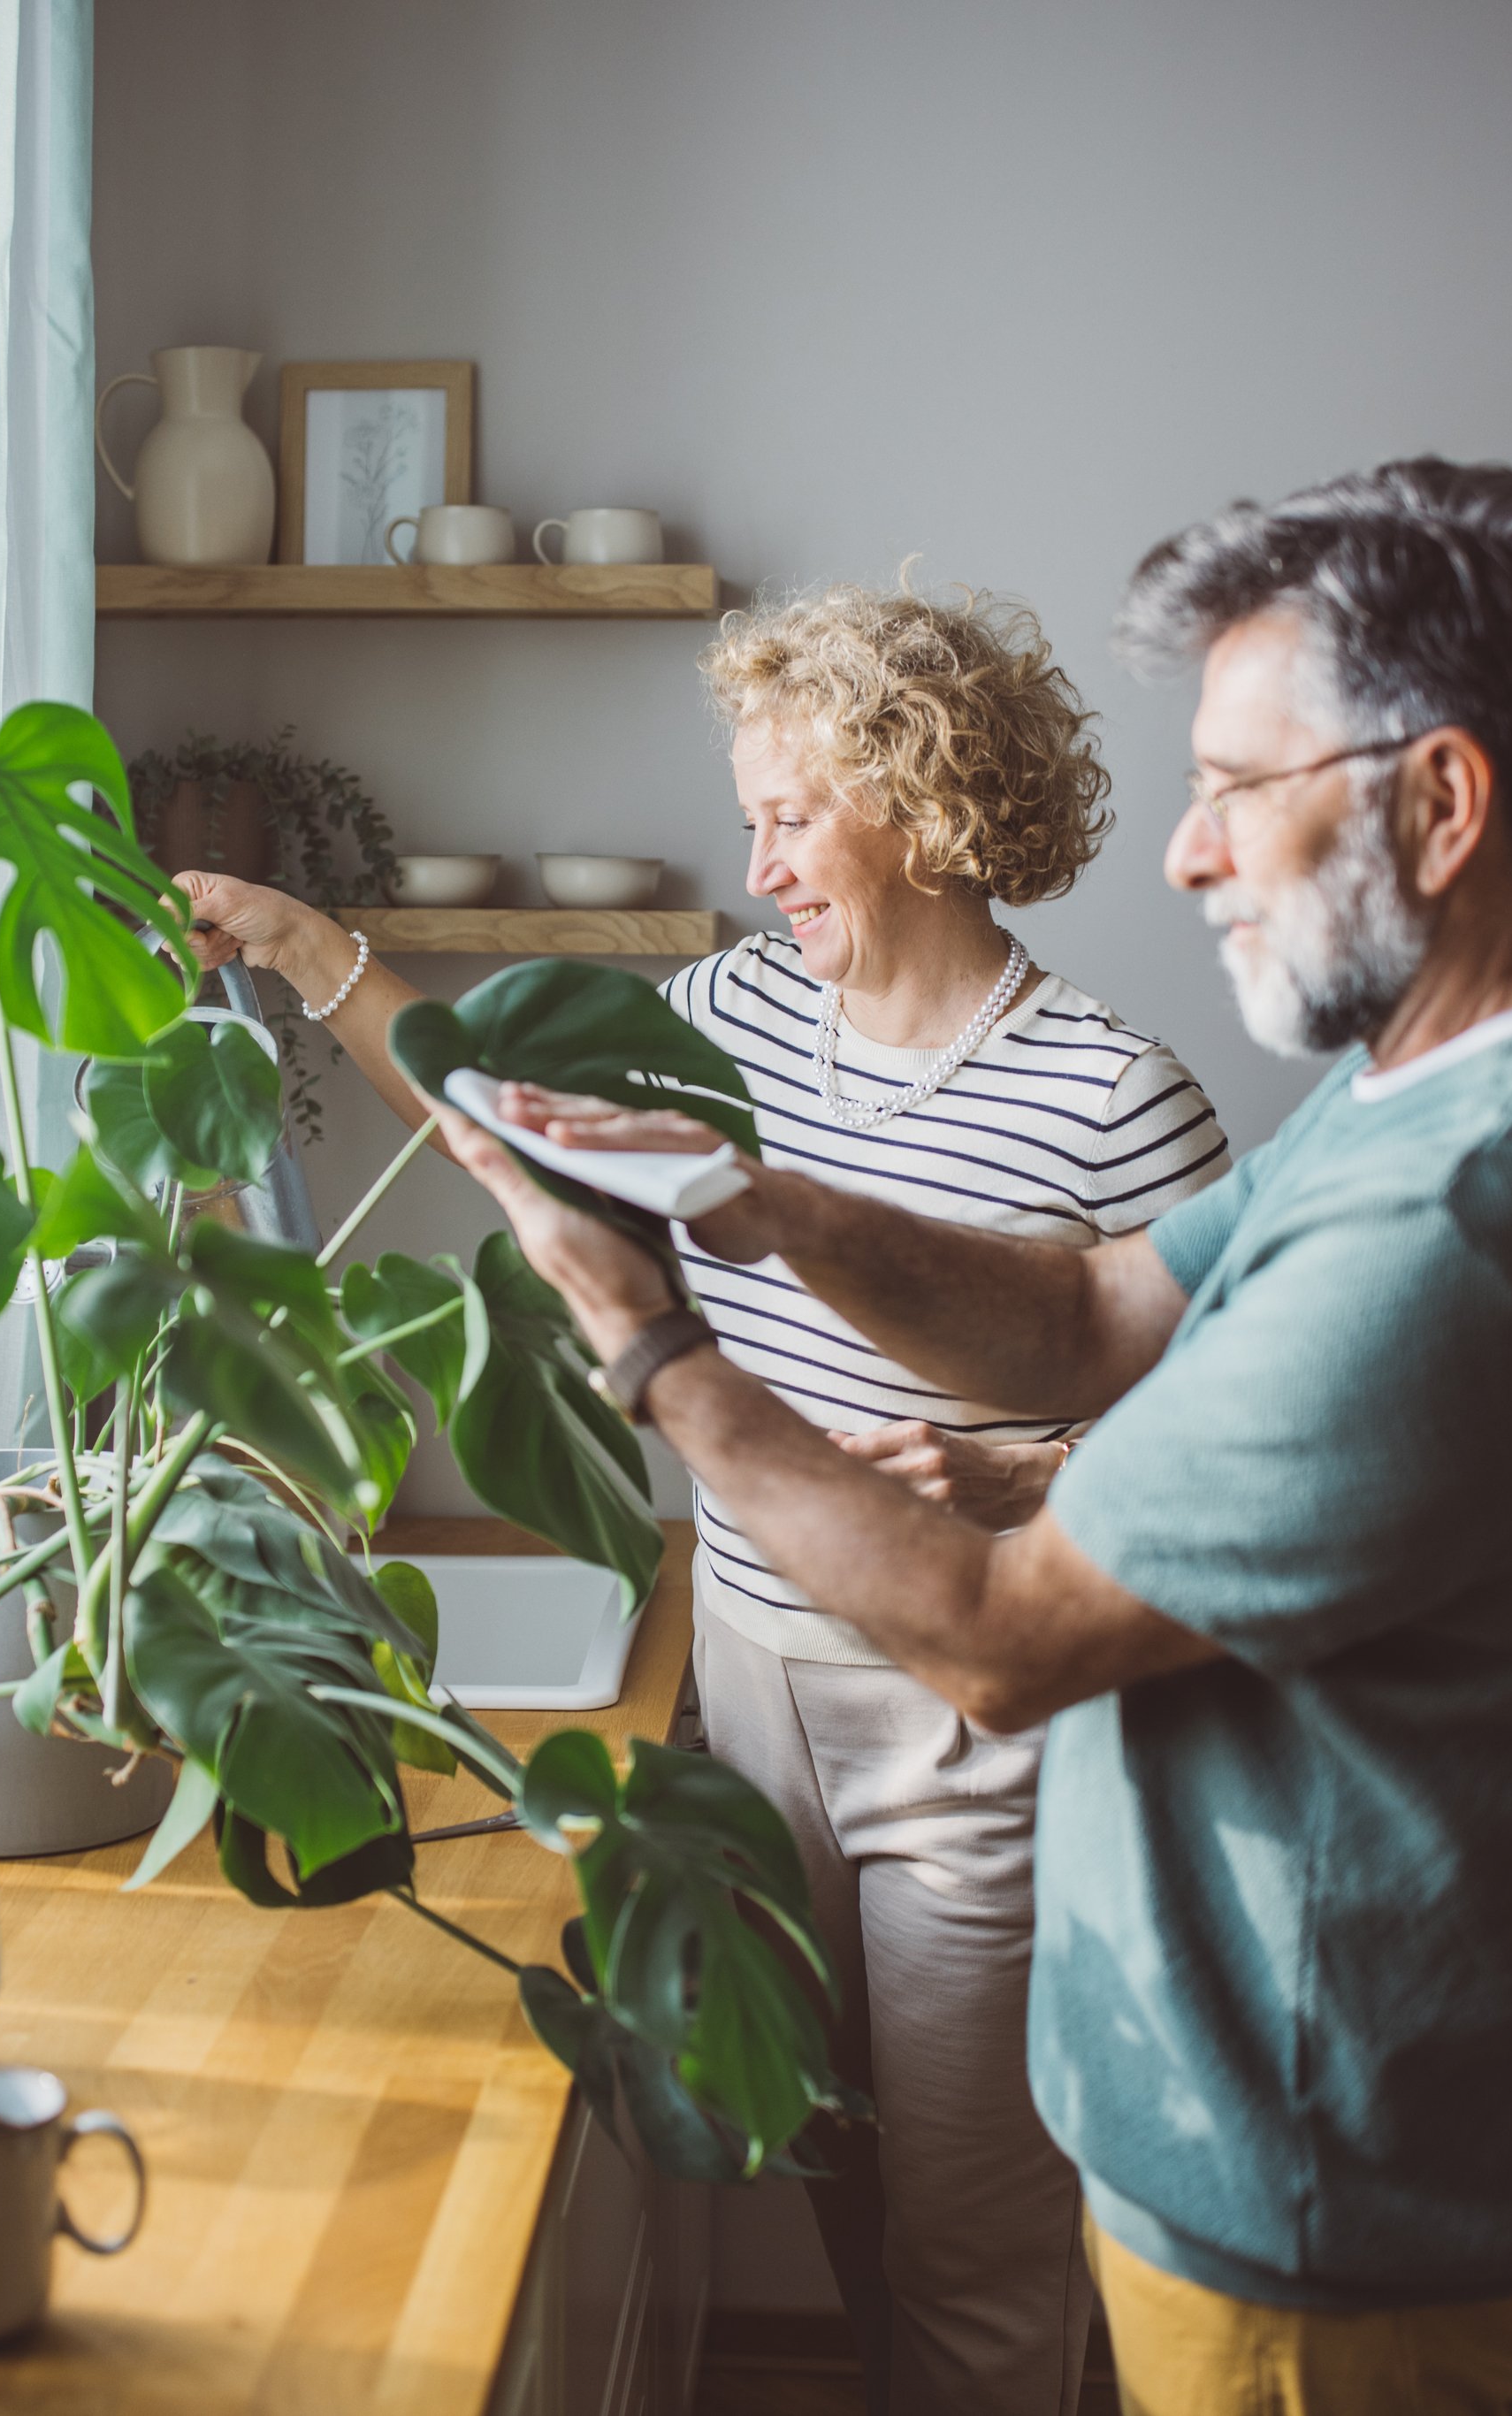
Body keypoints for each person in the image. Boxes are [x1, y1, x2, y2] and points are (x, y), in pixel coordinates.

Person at [430, 461, 1512, 2416]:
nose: (1185, 855)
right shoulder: (1456, 1098)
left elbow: (998, 1636)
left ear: (1441, 799)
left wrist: (651, 1348)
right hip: (1328, 2141)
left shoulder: (1458, 1220)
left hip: (1323, 2196)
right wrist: (759, 1201)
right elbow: (1090, 1308)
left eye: (1238, 785)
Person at [180, 581, 1227, 2416]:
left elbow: (1224, 1447)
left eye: (792, 814)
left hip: (969, 1720)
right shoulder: (727, 1014)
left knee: (973, 2236)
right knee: (824, 2146)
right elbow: (496, 1119)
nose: (756, 864)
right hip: (738, 1669)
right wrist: (298, 944)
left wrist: (1021, 1467)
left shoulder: (1106, 1095)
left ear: (917, 800)